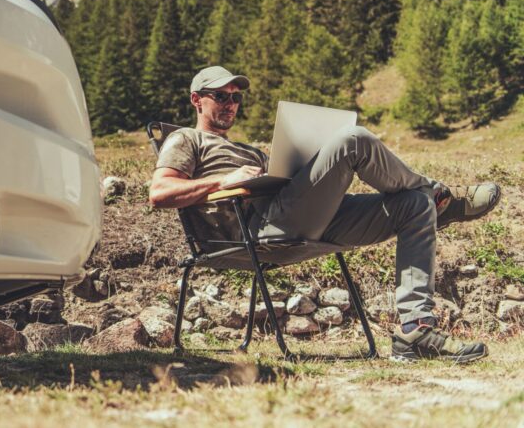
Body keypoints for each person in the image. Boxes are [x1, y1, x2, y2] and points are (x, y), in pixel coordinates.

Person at [148, 65, 502, 363]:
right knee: (353, 139)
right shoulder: (185, 141)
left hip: (291, 218)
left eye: (235, 97)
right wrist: (223, 180)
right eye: (220, 96)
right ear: (197, 100)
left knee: (414, 206)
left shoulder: (248, 150)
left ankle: (415, 331)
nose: (230, 104)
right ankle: (438, 194)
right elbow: (159, 193)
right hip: (254, 233)